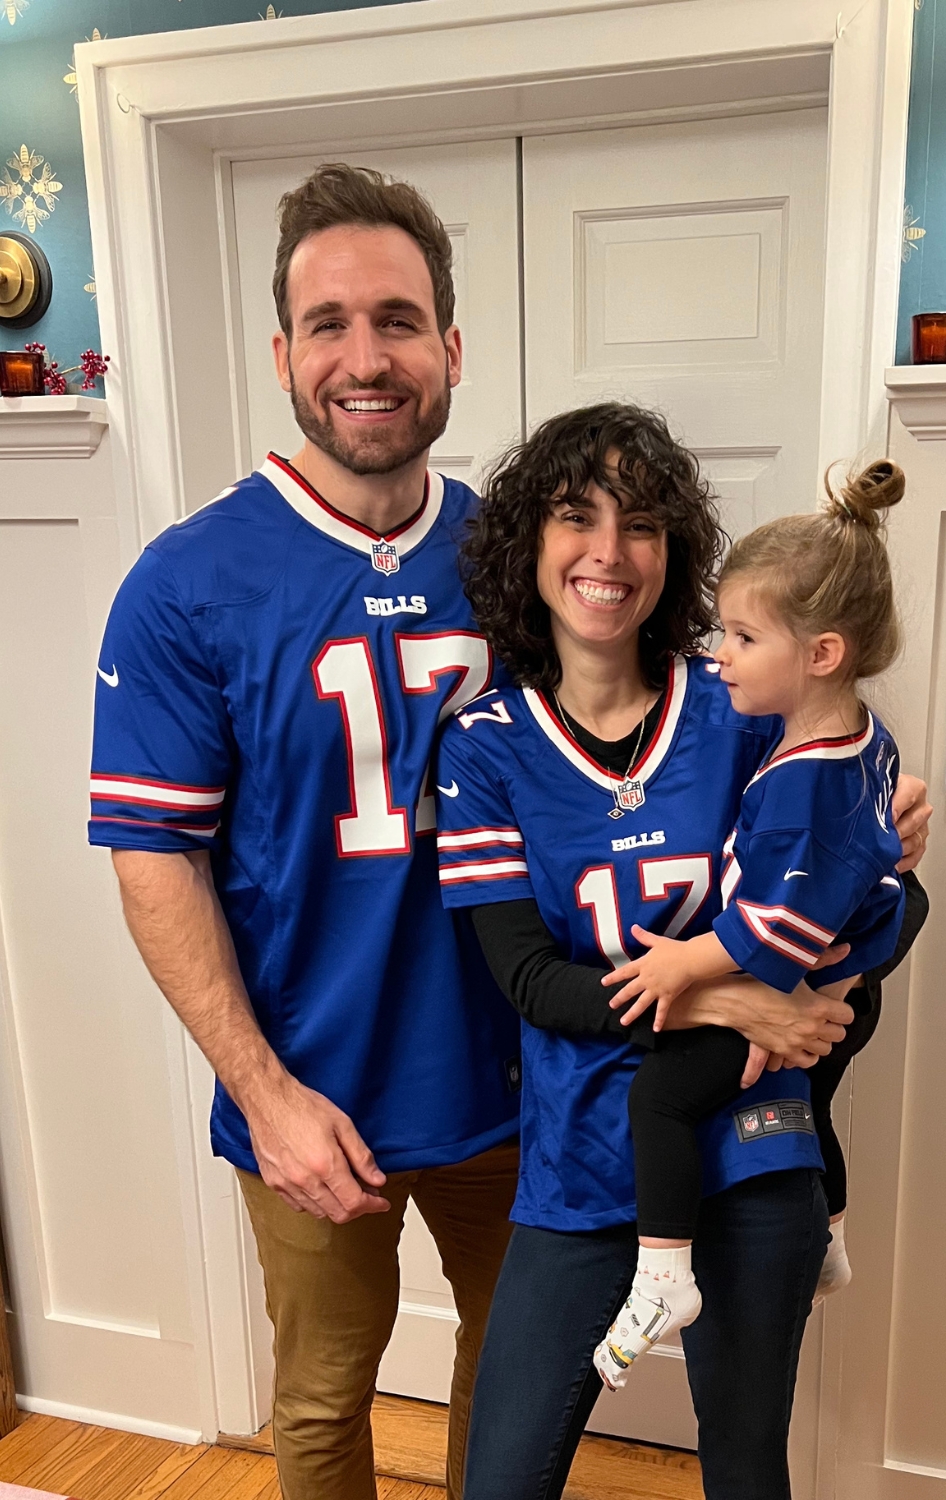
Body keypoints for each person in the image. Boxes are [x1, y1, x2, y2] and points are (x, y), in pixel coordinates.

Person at [88, 163, 523, 1500]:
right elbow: (150, 855)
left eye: (397, 319)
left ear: (450, 347)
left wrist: (836, 784)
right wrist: (265, 1098)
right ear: (283, 353)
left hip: (521, 1068)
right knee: (325, 1407)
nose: (365, 356)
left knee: (522, 1383)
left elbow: (660, 741)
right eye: (328, 324)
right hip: (312, 1091)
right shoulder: (187, 581)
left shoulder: (529, 553)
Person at [433, 404, 930, 1500]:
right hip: (583, 1159)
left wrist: (854, 925)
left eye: (641, 523)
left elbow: (880, 895)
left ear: (676, 556)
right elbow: (531, 981)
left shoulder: (746, 701)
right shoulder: (483, 751)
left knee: (745, 1465)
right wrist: (735, 1004)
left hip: (752, 1145)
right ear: (531, 542)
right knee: (502, 1479)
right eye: (576, 517)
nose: (608, 552)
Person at [590, 459, 911, 1389]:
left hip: (809, 985)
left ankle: (663, 1275)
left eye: (741, 636)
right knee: (816, 1109)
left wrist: (683, 964)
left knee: (661, 1097)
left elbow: (770, 932)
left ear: (821, 654)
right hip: (856, 978)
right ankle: (832, 1247)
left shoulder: (800, 790)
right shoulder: (853, 734)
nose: (718, 653)